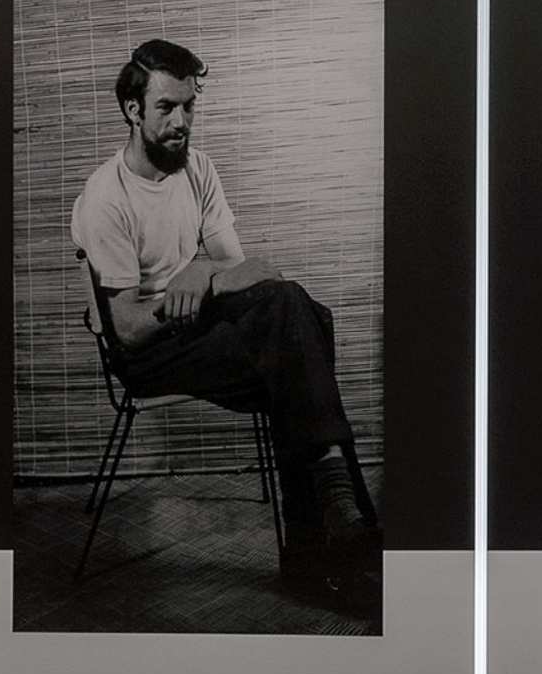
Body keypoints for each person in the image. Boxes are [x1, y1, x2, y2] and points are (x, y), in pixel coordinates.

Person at [70, 38, 375, 599]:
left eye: (189, 106)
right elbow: (128, 329)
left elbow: (250, 274)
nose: (181, 122)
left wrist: (201, 273)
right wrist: (201, 285)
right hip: (149, 352)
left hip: (201, 330)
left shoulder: (199, 169)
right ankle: (336, 518)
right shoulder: (105, 197)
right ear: (133, 110)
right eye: (166, 108)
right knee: (301, 332)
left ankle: (326, 533)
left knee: (291, 315)